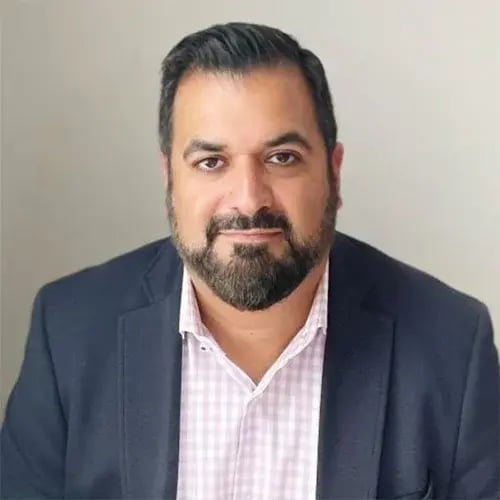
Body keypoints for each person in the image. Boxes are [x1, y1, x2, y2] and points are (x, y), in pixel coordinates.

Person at [1, 22, 498, 500]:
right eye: (211, 162)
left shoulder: (451, 344)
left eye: (282, 157)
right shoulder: (69, 332)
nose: (248, 199)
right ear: (170, 180)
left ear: (334, 173)